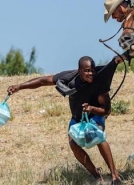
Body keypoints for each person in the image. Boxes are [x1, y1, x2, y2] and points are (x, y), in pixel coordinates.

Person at [7, 56, 122, 184]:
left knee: (96, 135)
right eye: (87, 71)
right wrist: (19, 86)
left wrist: (91, 108)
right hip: (77, 118)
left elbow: (106, 110)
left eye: (93, 70)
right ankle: (96, 176)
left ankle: (114, 175)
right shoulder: (69, 78)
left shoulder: (99, 82)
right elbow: (43, 81)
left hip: (95, 115)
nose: (91, 74)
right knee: (74, 144)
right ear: (79, 70)